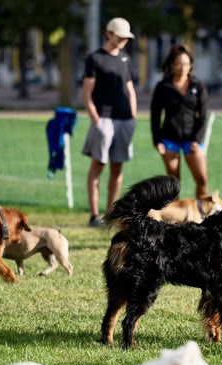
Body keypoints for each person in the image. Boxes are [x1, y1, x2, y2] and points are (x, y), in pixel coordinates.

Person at [82, 17, 137, 227]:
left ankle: (111, 214)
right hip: (103, 118)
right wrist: (95, 118)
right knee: (98, 165)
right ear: (109, 34)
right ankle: (94, 215)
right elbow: (87, 93)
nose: (124, 40)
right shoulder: (95, 59)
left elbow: (130, 88)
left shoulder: (125, 58)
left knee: (117, 167)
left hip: (125, 119)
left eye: (126, 37)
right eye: (120, 36)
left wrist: (132, 115)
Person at [150, 44, 209, 198]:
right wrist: (157, 141)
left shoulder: (198, 85)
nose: (183, 68)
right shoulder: (163, 86)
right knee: (173, 182)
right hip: (170, 139)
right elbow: (155, 115)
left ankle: (202, 216)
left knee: (202, 179)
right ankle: (174, 218)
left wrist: (197, 140)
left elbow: (202, 116)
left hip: (192, 139)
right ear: (172, 65)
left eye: (187, 64)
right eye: (179, 64)